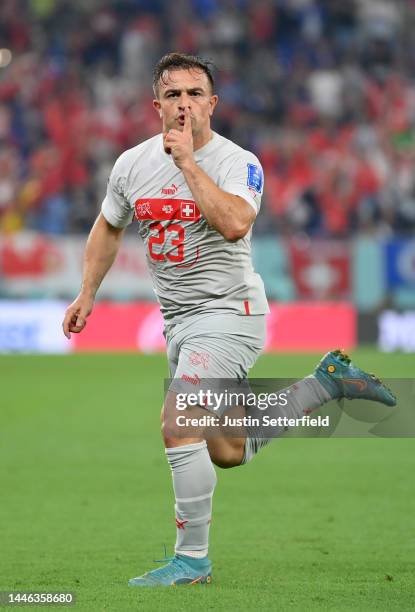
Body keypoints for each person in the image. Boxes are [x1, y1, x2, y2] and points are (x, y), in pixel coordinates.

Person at [62, 53, 396, 587]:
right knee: (227, 450)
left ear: (212, 104)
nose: (185, 104)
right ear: (157, 106)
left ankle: (192, 561)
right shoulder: (131, 165)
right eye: (174, 95)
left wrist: (188, 163)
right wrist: (87, 292)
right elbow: (108, 226)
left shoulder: (238, 162)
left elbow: (237, 223)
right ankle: (326, 383)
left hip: (229, 314)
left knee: (180, 420)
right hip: (181, 322)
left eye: (196, 94)